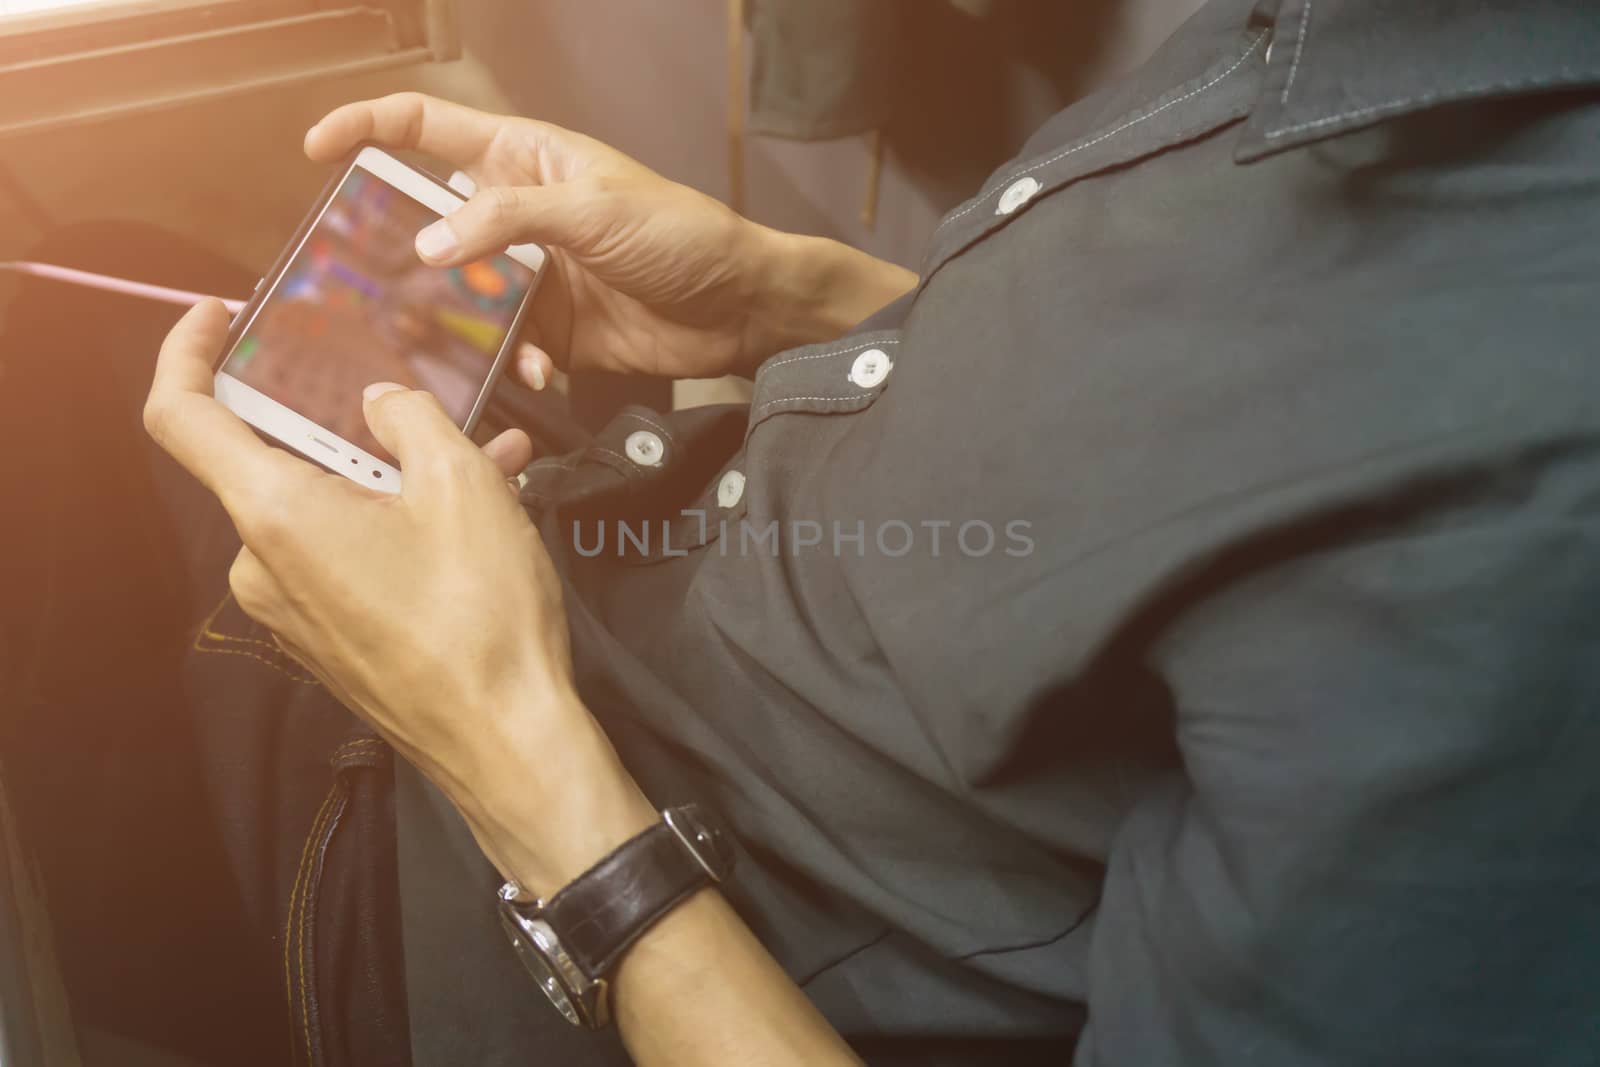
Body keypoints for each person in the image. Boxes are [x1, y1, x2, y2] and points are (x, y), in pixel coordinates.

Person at [18, 0, 1600, 1063]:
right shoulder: (1419, 50)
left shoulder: (1542, 541)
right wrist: (802, 301)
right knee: (118, 268)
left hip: (476, 888)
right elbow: (1195, 490)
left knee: (55, 449)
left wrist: (493, 738)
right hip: (611, 577)